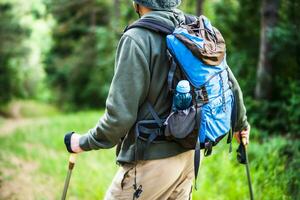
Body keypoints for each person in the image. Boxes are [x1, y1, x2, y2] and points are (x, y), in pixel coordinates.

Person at [64, 1, 250, 199]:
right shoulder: (194, 29)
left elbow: (118, 119)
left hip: (151, 166)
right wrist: (241, 124)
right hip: (188, 158)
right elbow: (228, 82)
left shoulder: (136, 38)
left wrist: (81, 142)